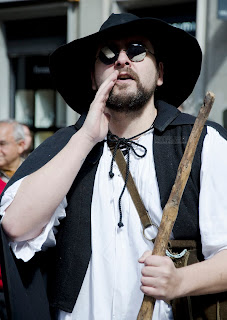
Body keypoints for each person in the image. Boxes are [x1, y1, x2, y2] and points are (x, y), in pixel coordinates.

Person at [0, 12, 227, 320]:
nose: (122, 60)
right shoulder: (68, 146)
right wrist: (86, 138)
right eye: (108, 54)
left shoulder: (202, 142)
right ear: (94, 78)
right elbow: (16, 226)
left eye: (136, 50)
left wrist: (181, 281)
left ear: (160, 72)